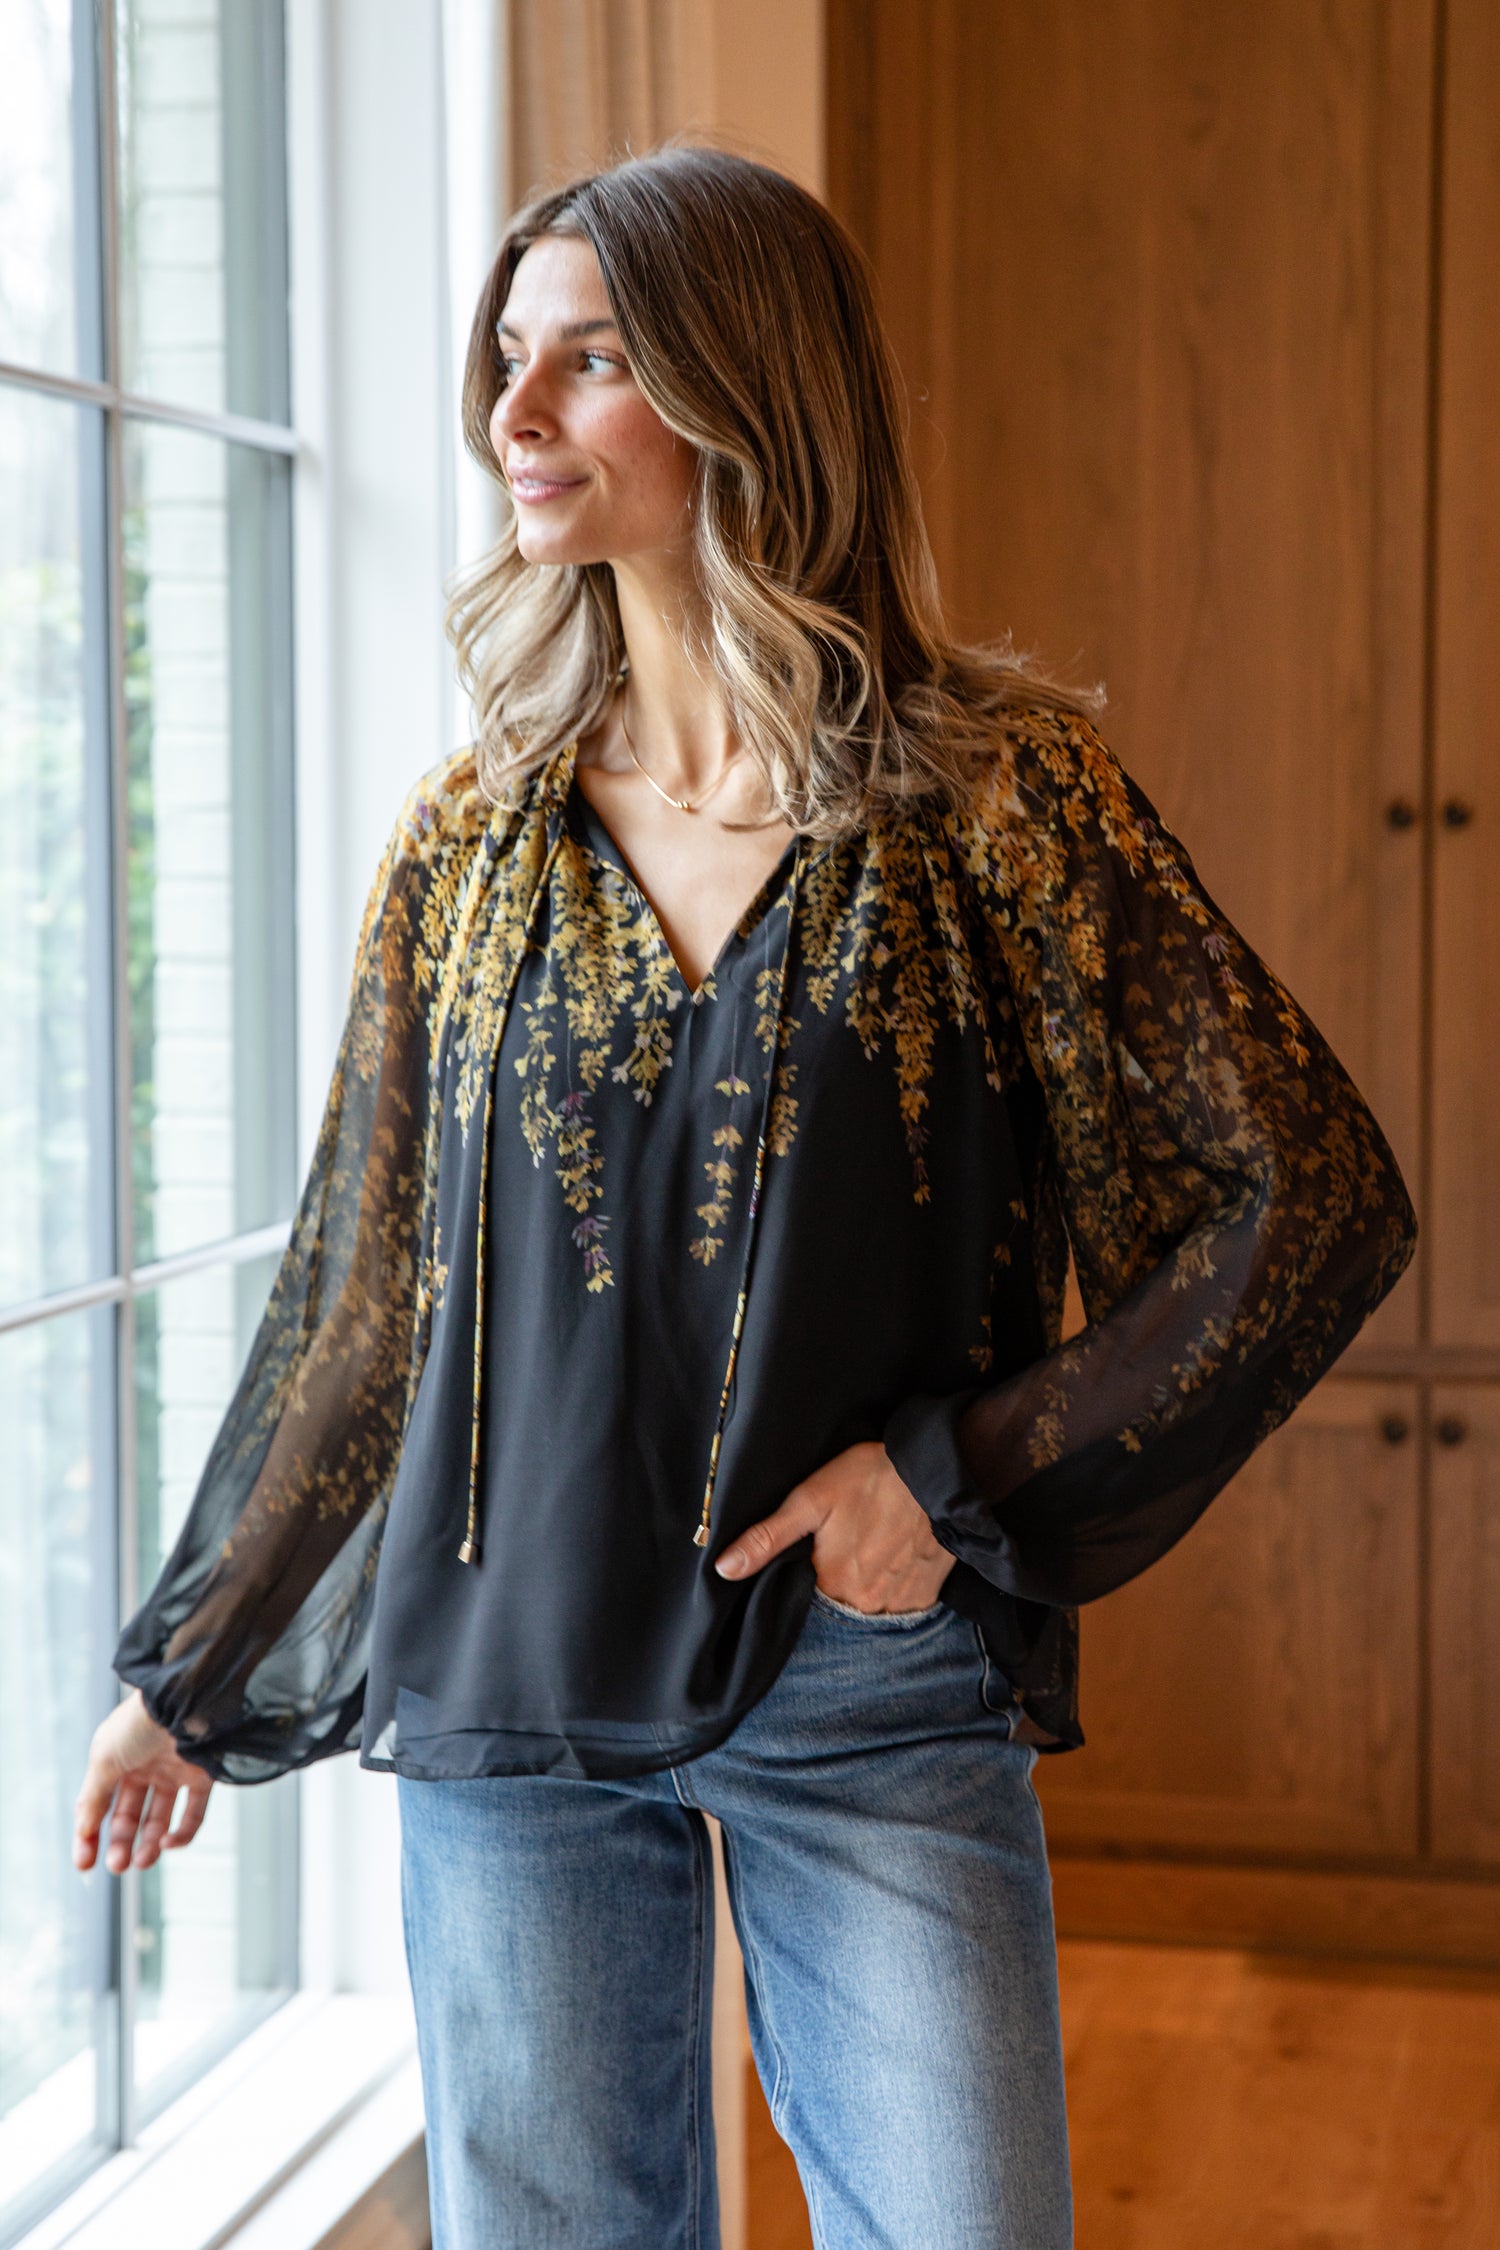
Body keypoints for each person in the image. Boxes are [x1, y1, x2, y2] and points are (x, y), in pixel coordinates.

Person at [73, 144, 1418, 2249]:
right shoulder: (468, 845)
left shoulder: (990, 800)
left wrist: (948, 1478)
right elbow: (369, 1292)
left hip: (864, 1678)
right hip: (507, 1693)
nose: (514, 419)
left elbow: (1305, 1200)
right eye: (507, 362)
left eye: (587, 360)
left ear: (743, 388)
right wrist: (196, 1657)